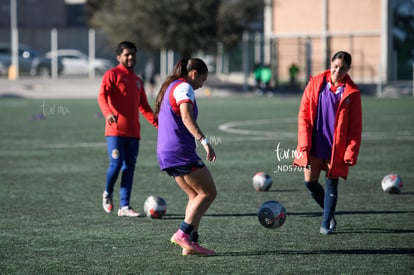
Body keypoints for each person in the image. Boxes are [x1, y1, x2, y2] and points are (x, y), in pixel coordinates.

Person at [293, 51, 362, 235]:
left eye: (343, 68)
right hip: (315, 143)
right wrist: (304, 143)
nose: (338, 71)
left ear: (349, 69)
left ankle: (326, 222)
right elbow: (304, 115)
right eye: (336, 66)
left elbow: (356, 127)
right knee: (310, 183)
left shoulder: (351, 92)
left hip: (336, 146)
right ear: (331, 63)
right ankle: (329, 212)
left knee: (332, 183)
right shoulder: (315, 83)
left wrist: (350, 151)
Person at [154, 58, 217, 255]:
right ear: (193, 74)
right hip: (180, 151)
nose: (201, 85)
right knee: (208, 192)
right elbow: (186, 117)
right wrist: (204, 141)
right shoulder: (184, 88)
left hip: (166, 152)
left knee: (194, 194)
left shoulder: (171, 86)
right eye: (202, 80)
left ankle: (191, 242)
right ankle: (182, 234)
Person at [98, 41, 158, 217]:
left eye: (133, 54)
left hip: (134, 133)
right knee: (116, 164)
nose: (131, 57)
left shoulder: (138, 81)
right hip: (115, 131)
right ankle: (107, 193)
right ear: (119, 57)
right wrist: (108, 113)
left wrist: (160, 125)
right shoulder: (112, 74)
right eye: (127, 54)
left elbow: (145, 107)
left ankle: (124, 207)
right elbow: (102, 95)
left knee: (129, 168)